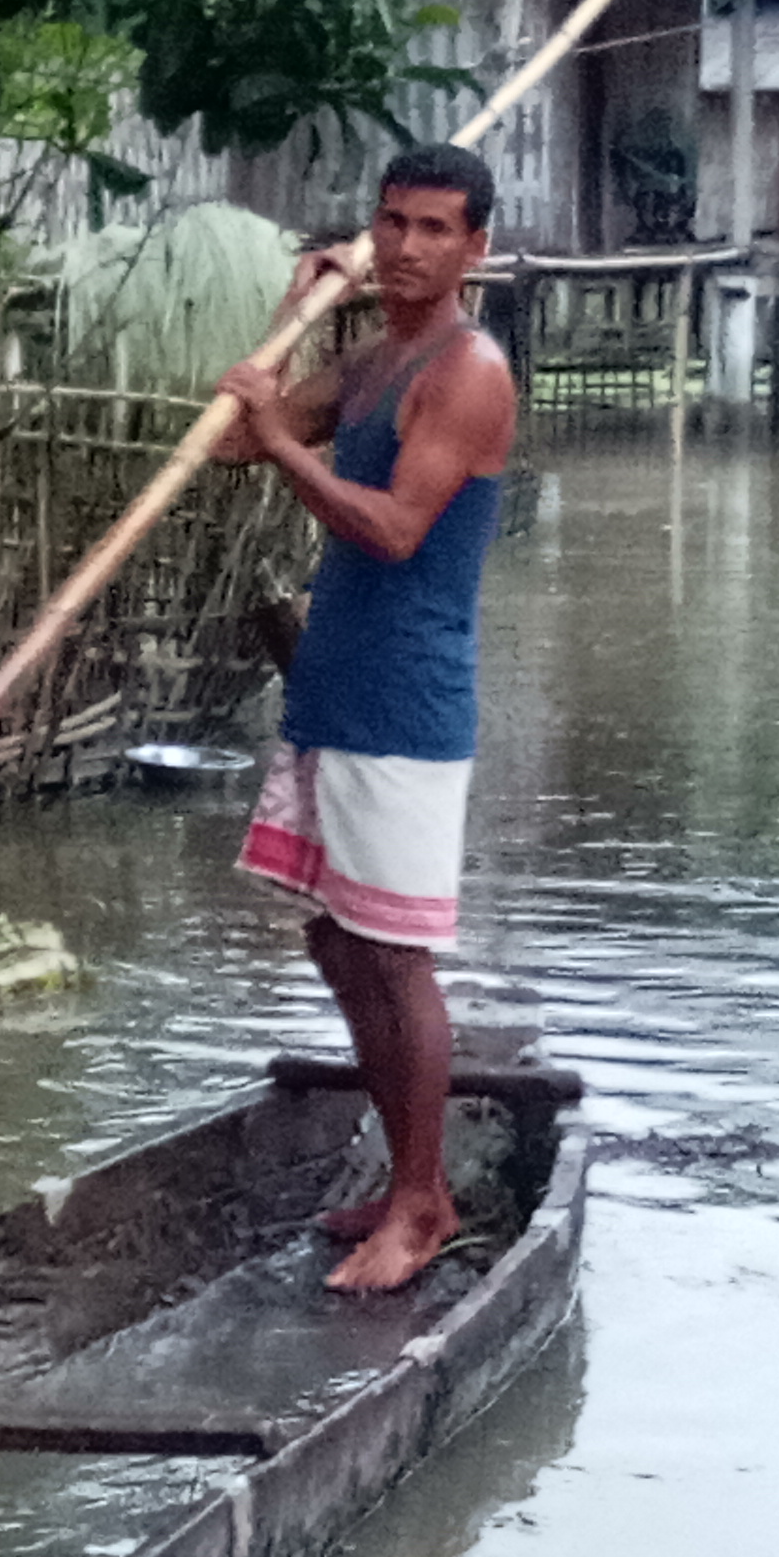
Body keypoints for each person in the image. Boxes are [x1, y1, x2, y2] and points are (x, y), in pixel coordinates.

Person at [207, 142, 516, 1295]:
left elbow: (389, 528)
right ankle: (400, 1181)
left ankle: (424, 1203)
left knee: (393, 957)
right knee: (334, 938)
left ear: (473, 246)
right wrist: (288, 320)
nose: (403, 247)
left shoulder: (466, 370)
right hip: (333, 682)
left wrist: (282, 436)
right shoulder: (375, 354)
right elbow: (241, 435)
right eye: (390, 223)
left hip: (405, 697)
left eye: (433, 228)